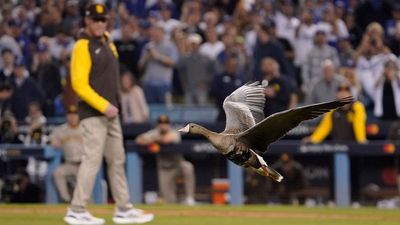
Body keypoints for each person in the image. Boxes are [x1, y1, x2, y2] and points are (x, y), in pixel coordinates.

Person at [64, 4, 154, 225]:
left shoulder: (108, 43)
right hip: (94, 113)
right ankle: (76, 209)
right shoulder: (82, 45)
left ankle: (123, 208)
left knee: (117, 159)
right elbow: (78, 84)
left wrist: (113, 106)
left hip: (111, 113)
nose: (99, 23)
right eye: (95, 20)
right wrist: (104, 105)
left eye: (102, 20)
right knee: (92, 160)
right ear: (87, 21)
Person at [135, 115, 196, 205]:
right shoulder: (154, 133)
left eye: (165, 123)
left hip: (177, 165)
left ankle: (189, 198)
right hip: (164, 169)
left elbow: (167, 140)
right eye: (161, 123)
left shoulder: (174, 133)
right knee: (169, 201)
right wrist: (153, 139)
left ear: (169, 124)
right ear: (157, 125)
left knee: (188, 167)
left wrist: (152, 140)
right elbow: (139, 140)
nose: (163, 126)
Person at [138, 24, 178, 104]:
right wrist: (146, 57)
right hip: (149, 83)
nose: (156, 35)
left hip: (163, 83)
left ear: (163, 33)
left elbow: (173, 63)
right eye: (154, 33)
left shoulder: (170, 46)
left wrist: (157, 56)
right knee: (150, 109)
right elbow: (140, 66)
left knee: (165, 110)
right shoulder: (148, 46)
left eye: (158, 33)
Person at [50, 106, 83, 203]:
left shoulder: (85, 129)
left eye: (75, 114)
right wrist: (54, 141)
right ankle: (66, 199)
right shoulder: (60, 130)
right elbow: (52, 139)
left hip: (84, 165)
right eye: (70, 115)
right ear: (67, 116)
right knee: (57, 172)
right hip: (69, 164)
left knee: (87, 197)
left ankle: (86, 202)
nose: (72, 117)